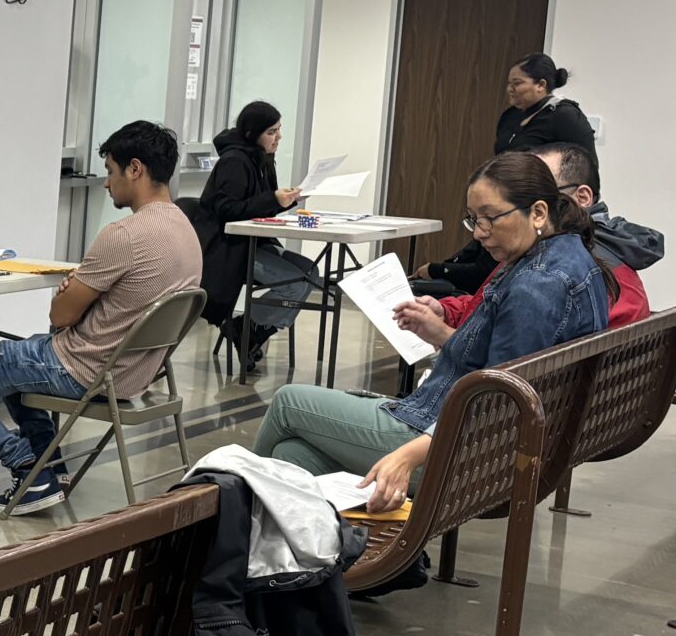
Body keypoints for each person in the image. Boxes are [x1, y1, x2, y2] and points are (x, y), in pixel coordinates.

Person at [252, 152, 613, 512]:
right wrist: (440, 335)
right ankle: (328, 557)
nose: (481, 233)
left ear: (537, 212)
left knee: (288, 403)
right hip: (499, 449)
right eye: (474, 220)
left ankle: (236, 544)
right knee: (292, 454)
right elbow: (503, 368)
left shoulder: (537, 286)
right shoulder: (565, 257)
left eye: (491, 218)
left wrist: (409, 454)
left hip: (466, 455)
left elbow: (497, 402)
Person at [0, 120, 200, 516]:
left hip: (82, 369)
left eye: (110, 171)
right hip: (135, 372)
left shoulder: (124, 235)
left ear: (135, 169)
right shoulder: (186, 232)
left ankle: (26, 466)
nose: (106, 184)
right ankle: (50, 468)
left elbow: (61, 316)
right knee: (17, 363)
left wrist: (66, 292)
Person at [421, 141, 659, 338]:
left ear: (583, 196)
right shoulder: (574, 250)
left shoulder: (561, 269)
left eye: (541, 191)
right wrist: (446, 310)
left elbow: (509, 365)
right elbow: (491, 306)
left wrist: (445, 336)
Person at [425, 54, 597, 295]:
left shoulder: (565, 115)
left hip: (534, 207)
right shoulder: (510, 117)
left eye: (517, 83)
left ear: (541, 85)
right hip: (506, 198)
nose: (510, 89)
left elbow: (586, 167)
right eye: (509, 83)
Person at [193, 100, 302, 354]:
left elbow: (259, 206)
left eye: (279, 130)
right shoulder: (235, 161)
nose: (278, 138)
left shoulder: (263, 158)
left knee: (312, 273)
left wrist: (284, 201)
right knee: (295, 283)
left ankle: (246, 329)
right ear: (253, 134)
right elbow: (228, 211)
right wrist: (273, 199)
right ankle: (248, 331)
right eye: (271, 132)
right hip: (229, 249)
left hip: (254, 243)